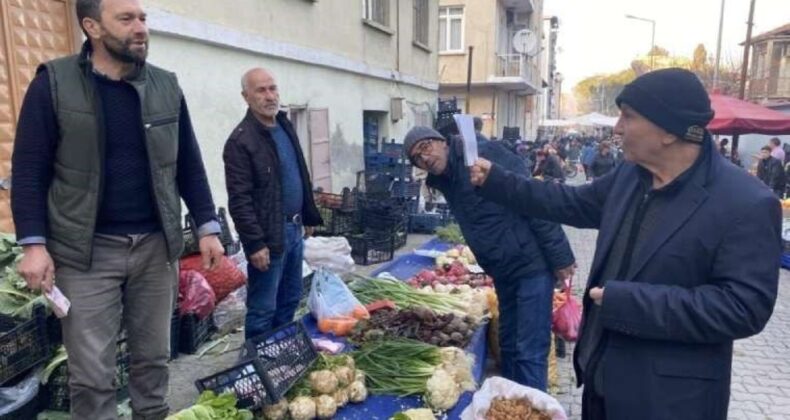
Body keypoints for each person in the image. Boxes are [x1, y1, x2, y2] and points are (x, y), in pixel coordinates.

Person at [469, 68, 780, 419]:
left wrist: (627, 302)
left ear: (667, 130)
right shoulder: (631, 176)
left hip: (669, 401)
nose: (617, 128)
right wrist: (497, 181)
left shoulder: (745, 202)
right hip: (601, 382)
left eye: (628, 116)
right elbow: (570, 203)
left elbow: (743, 308)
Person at [11, 0, 225, 418]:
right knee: (92, 375)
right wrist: (33, 244)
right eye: (126, 19)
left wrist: (207, 224)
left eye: (142, 18)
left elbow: (188, 163)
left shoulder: (165, 85)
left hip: (154, 248)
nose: (140, 28)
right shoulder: (53, 83)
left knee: (153, 361)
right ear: (92, 26)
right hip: (85, 253)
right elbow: (29, 169)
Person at [403, 125, 575, 391]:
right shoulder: (446, 178)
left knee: (529, 349)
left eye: (425, 147)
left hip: (531, 266)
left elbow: (534, 201)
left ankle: (534, 408)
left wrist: (561, 257)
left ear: (441, 141)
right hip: (503, 272)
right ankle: (515, 404)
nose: (424, 158)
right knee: (509, 344)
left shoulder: (483, 155)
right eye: (416, 158)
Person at [223, 68, 323, 340]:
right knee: (263, 308)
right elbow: (239, 199)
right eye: (261, 90)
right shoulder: (241, 141)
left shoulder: (284, 125)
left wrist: (309, 215)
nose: (269, 96)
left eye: (272, 88)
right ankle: (254, 367)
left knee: (290, 298)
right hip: (269, 235)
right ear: (246, 97)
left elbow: (299, 171)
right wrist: (255, 243)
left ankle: (278, 354)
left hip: (295, 229)